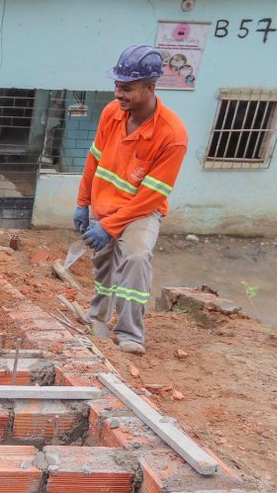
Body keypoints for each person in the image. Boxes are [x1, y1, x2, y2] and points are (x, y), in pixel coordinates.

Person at [74, 44, 188, 355]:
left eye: (127, 88)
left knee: (135, 260)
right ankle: (97, 316)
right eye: (117, 86)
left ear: (150, 88)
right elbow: (94, 159)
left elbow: (152, 194)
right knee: (104, 266)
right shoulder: (112, 113)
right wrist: (82, 202)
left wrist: (111, 225)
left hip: (140, 212)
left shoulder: (172, 134)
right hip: (105, 206)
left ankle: (130, 333)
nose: (118, 94)